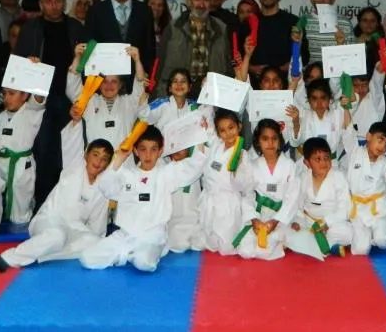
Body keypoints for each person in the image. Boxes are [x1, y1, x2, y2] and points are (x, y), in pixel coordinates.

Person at [79, 124, 205, 271]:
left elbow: (195, 165)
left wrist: (200, 135)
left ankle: (128, 255)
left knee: (143, 263)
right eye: (143, 149)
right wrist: (119, 158)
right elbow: (106, 187)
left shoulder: (166, 174)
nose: (148, 155)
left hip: (152, 237)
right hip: (125, 235)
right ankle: (128, 253)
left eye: (153, 149)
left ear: (161, 151)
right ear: (135, 151)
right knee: (87, 259)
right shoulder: (127, 175)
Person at [16, 0, 88, 210]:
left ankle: (66, 205)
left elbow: (87, 64)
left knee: (69, 153)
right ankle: (42, 205)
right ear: (41, 4)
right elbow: (18, 64)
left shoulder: (76, 27)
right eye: (48, 1)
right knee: (44, 152)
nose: (53, 6)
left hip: (70, 98)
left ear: (64, 3)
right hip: (41, 99)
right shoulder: (31, 28)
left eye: (57, 1)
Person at [0, 138, 112, 272]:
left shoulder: (103, 189)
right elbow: (68, 216)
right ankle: (9, 257)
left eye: (104, 159)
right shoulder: (73, 172)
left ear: (107, 164)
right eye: (95, 155)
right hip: (49, 222)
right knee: (57, 237)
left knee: (95, 242)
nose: (98, 162)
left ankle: (45, 254)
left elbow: (97, 227)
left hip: (73, 230)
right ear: (86, 155)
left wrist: (95, 241)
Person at [63, 44, 147, 154]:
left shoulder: (129, 102)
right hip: (95, 161)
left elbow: (140, 84)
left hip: (123, 161)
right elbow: (72, 88)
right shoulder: (89, 101)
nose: (109, 85)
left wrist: (137, 60)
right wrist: (77, 58)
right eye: (104, 81)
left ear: (120, 84)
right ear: (98, 84)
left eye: (114, 81)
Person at [235, 118, 299, 260]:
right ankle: (279, 241)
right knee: (245, 250)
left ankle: (281, 238)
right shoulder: (252, 166)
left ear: (280, 141)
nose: (270, 143)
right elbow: (247, 195)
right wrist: (254, 219)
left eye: (274, 138)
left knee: (266, 249)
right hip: (259, 215)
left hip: (280, 217)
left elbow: (292, 198)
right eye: (265, 139)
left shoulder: (289, 165)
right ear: (258, 142)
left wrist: (275, 221)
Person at [286, 136, 353, 257]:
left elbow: (345, 209)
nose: (323, 163)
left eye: (326, 158)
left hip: (331, 223)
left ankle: (319, 244)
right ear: (307, 163)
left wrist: (327, 223)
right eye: (317, 159)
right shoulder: (303, 178)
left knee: (348, 233)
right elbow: (297, 206)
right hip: (309, 222)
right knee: (289, 231)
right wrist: (297, 221)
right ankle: (328, 245)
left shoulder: (338, 177)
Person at [158, 0, 232, 92]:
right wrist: (159, 92)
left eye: (206, 0)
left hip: (210, 91)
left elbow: (228, 66)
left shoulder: (221, 29)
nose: (201, 5)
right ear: (189, 1)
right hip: (180, 91)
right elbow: (159, 64)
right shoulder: (173, 28)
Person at [85, 0, 155, 78]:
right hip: (105, 78)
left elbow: (149, 47)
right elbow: (90, 44)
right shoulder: (96, 11)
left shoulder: (144, 10)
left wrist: (147, 73)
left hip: (137, 76)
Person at [341, 121, 386, 255]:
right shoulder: (355, 152)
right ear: (368, 136)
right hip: (358, 209)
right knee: (360, 250)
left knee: (382, 241)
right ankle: (370, 235)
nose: (382, 146)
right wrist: (346, 110)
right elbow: (349, 130)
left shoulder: (385, 162)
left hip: (378, 209)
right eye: (380, 140)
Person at [0, 85, 46, 226]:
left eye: (12, 93)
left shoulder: (32, 112)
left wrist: (36, 77)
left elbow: (38, 99)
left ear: (25, 95)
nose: (6, 98)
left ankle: (22, 227)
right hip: (1, 161)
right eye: (4, 93)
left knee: (20, 207)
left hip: (21, 164)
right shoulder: (2, 115)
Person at [200, 109, 251, 255]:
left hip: (228, 203)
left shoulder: (242, 154)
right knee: (208, 242)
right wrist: (204, 125)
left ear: (239, 127)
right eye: (222, 130)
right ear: (218, 133)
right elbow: (207, 132)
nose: (228, 134)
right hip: (209, 199)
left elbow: (244, 185)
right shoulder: (216, 145)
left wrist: (237, 170)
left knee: (227, 248)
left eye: (231, 128)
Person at [288, 79, 351, 164]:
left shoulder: (338, 113)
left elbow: (349, 136)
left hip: (332, 164)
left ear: (329, 98)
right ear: (308, 100)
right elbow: (294, 143)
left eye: (323, 98)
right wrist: (296, 122)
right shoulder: (302, 114)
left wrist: (346, 108)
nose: (319, 103)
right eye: (314, 98)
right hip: (307, 165)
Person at [247, 0, 298, 78]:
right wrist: (251, 68)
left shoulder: (293, 22)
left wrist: (290, 65)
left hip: (286, 82)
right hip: (254, 83)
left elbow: (304, 54)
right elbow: (237, 54)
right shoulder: (248, 23)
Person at [299, 0, 353, 65]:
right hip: (311, 72)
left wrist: (341, 44)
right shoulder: (303, 21)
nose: (322, 0)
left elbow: (352, 54)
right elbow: (297, 52)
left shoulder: (345, 22)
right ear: (312, 0)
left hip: (337, 70)